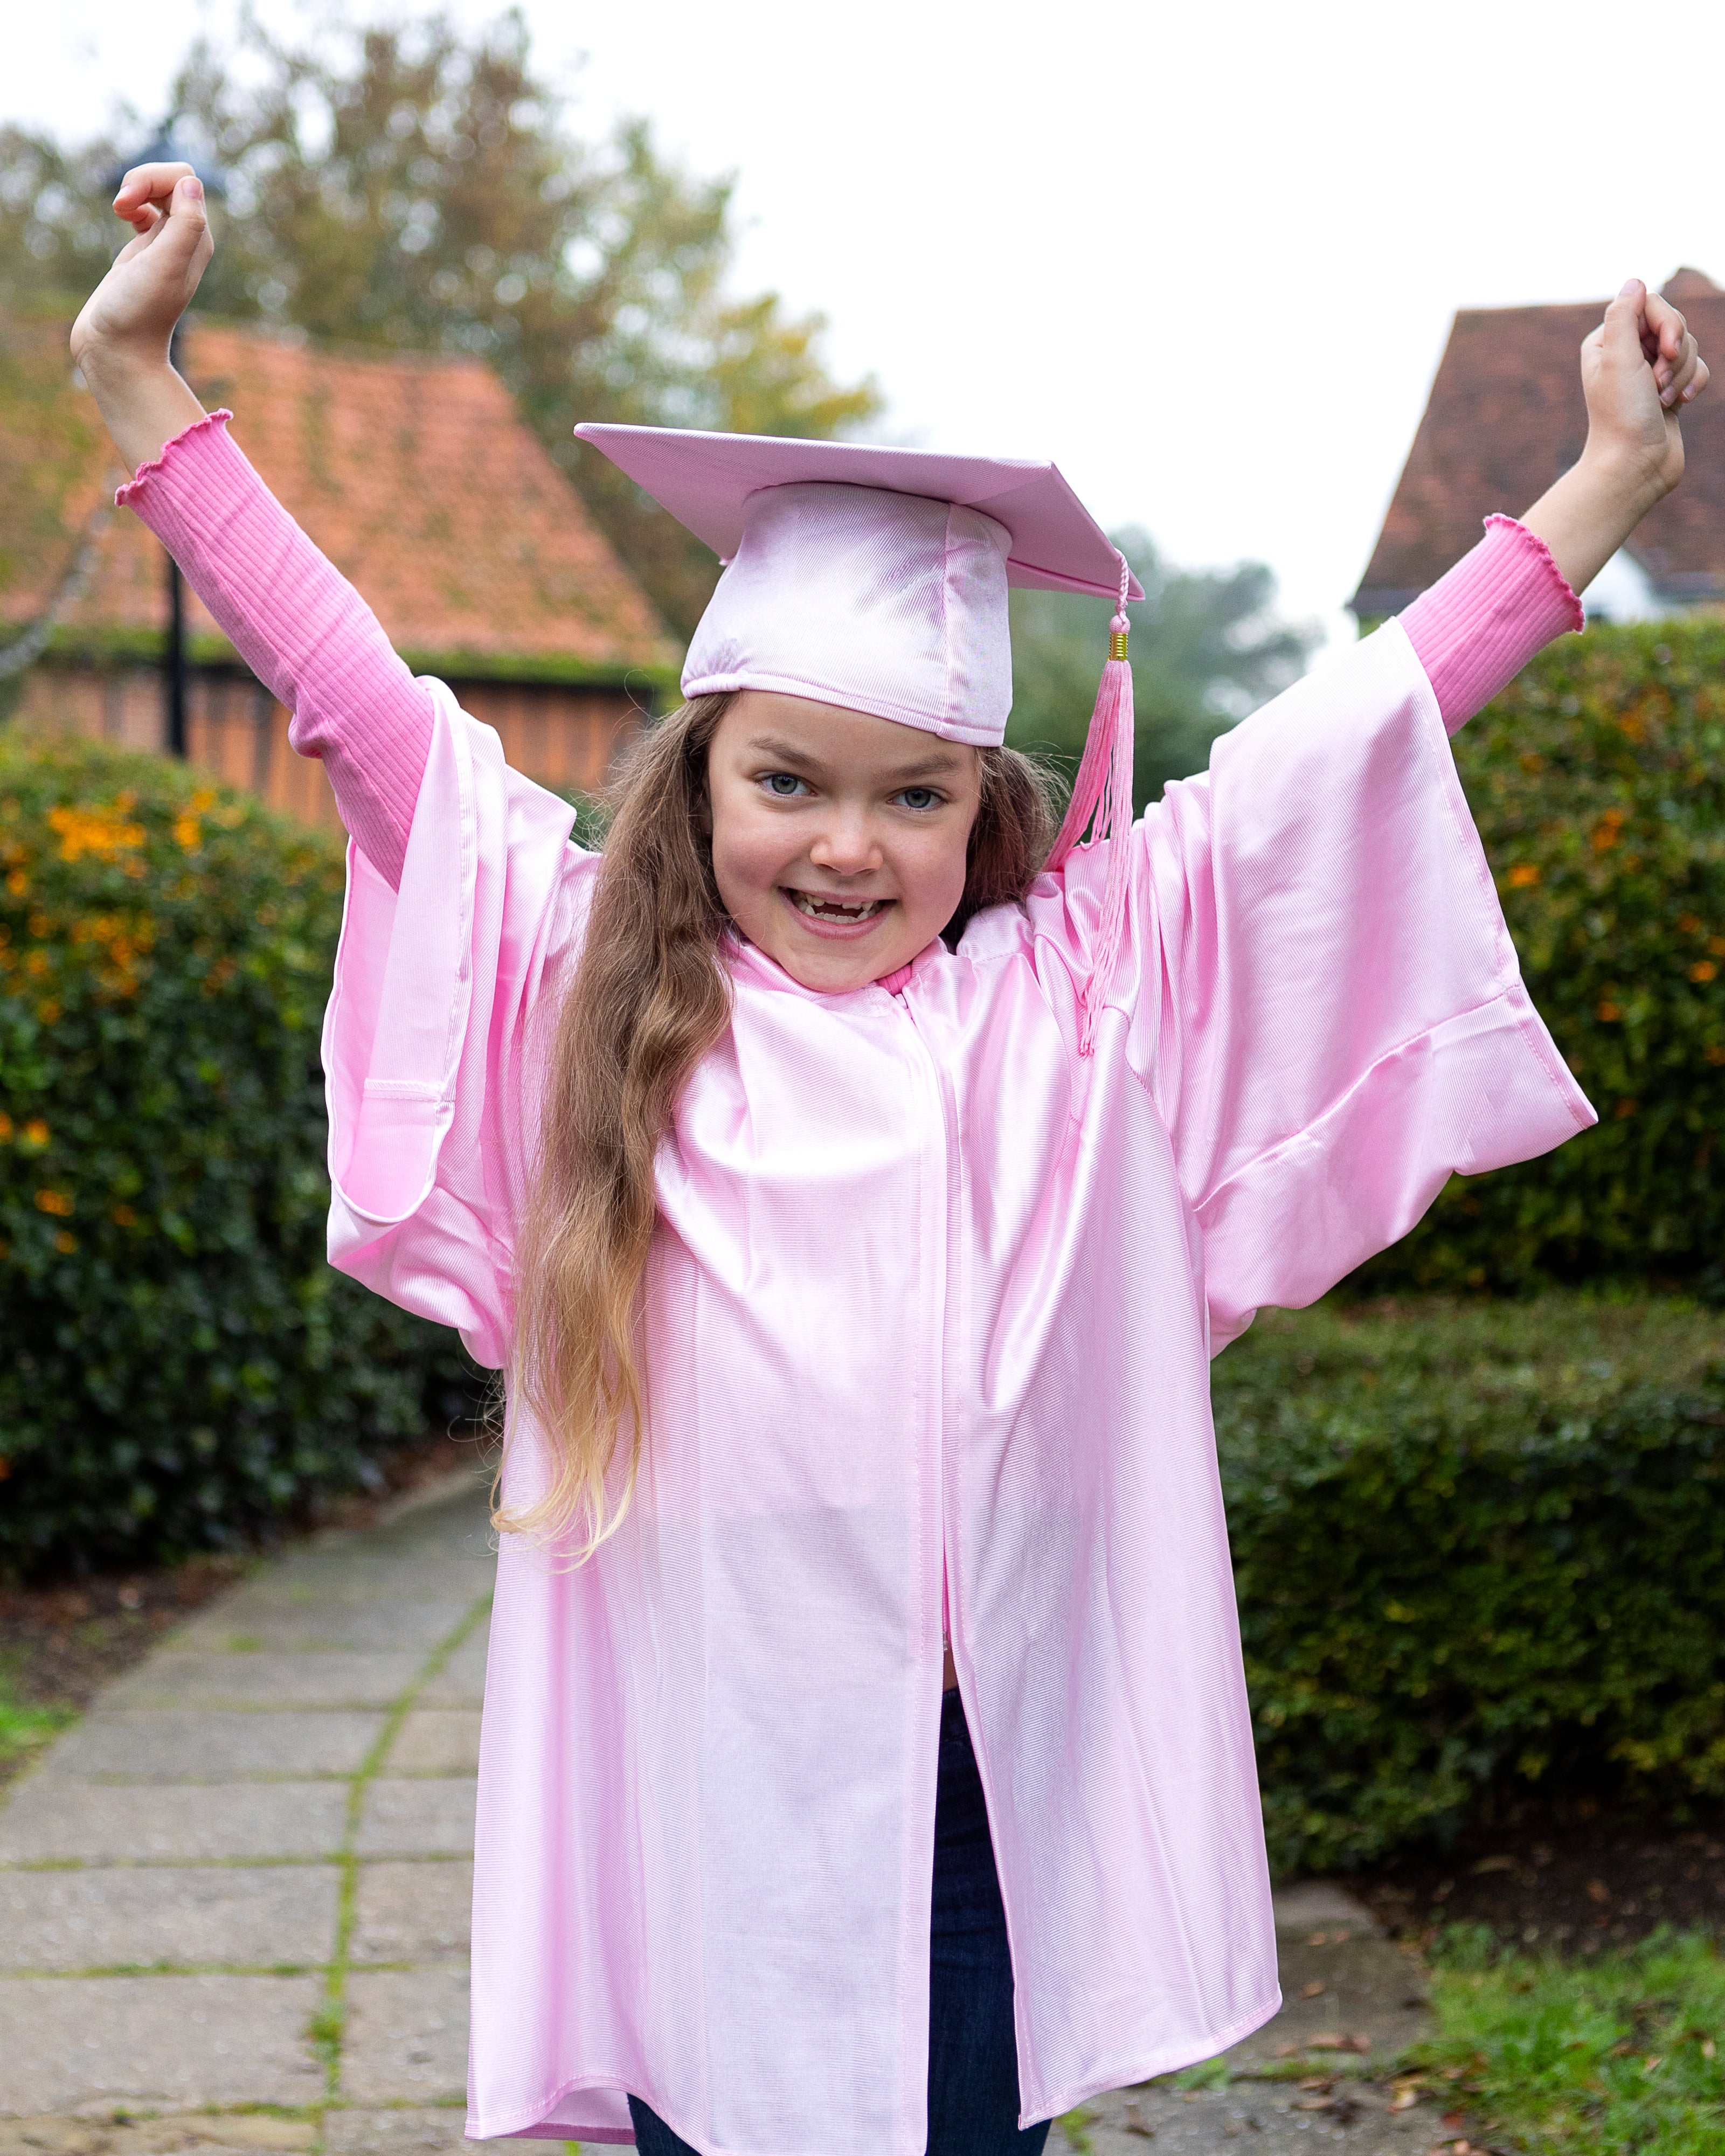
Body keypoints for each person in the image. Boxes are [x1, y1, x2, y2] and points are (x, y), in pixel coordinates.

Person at [69, 163, 1705, 2156]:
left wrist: (1604, 485)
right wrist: (142, 384)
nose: (847, 845)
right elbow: (355, 701)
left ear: (979, 804)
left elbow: (1347, 740)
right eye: (788, 781)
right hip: (704, 1776)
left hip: (970, 1783)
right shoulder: (588, 969)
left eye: (911, 795)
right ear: (700, 774)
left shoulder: (1077, 986)